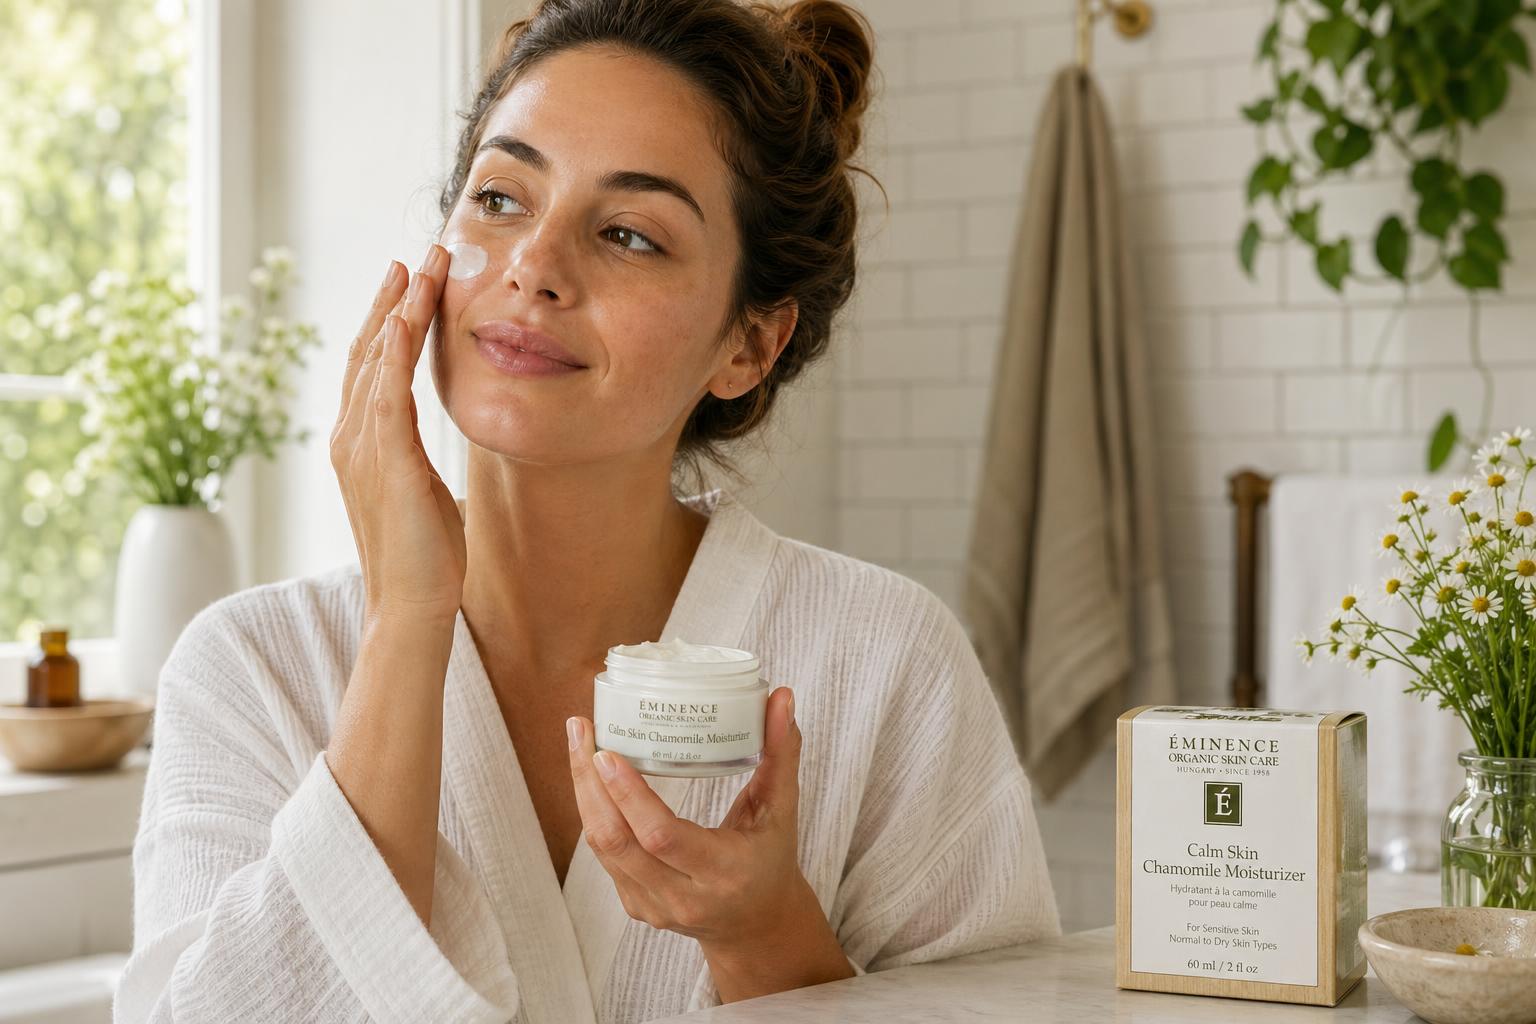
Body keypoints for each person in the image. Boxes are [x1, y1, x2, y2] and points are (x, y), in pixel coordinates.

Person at [113, 2, 1061, 1022]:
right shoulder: (253, 670)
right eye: (500, 197)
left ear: (748, 344)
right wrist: (404, 624)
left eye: (627, 234)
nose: (534, 264)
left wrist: (764, 936)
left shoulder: (884, 661)